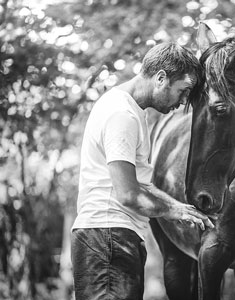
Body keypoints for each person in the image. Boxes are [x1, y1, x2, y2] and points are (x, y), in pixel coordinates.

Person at [71, 42, 213, 300]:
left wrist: (182, 208)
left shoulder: (133, 113)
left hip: (114, 237)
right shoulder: (121, 115)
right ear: (161, 78)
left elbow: (141, 185)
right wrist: (174, 211)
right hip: (107, 238)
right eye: (183, 91)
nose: (183, 103)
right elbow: (128, 194)